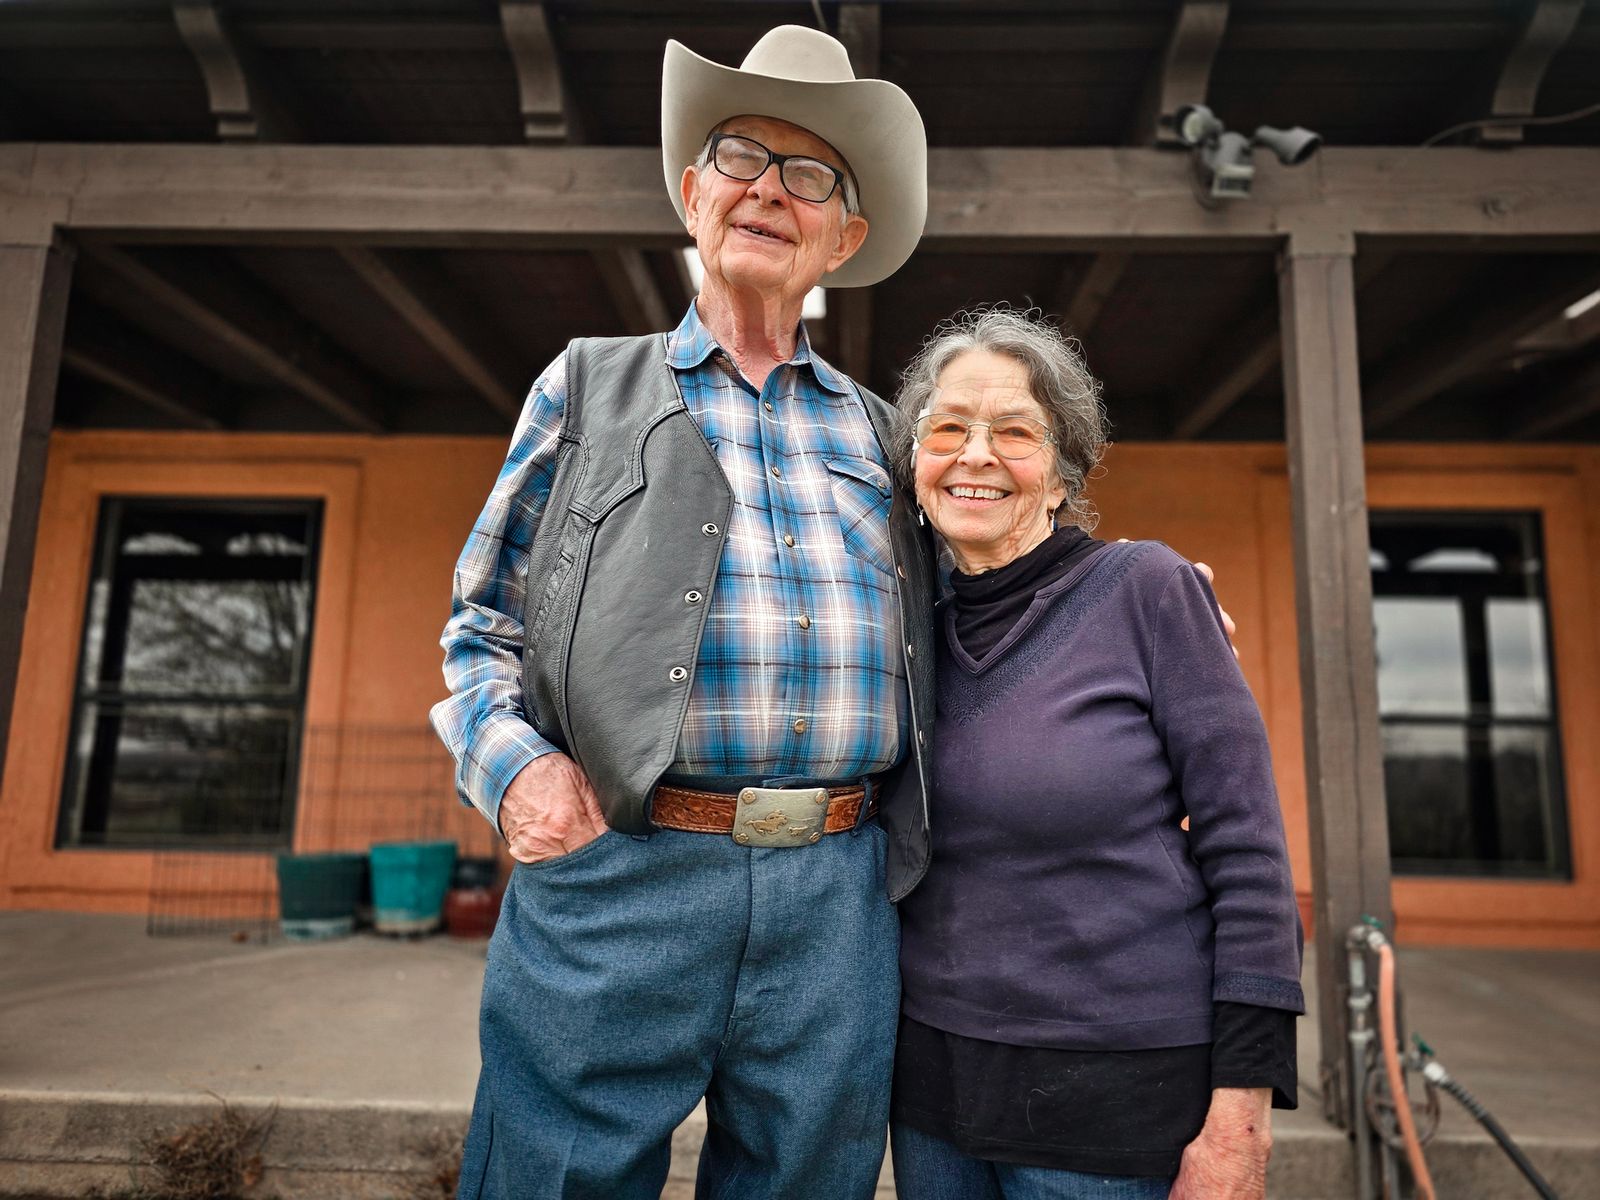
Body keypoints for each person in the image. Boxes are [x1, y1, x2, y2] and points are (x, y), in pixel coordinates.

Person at [430, 24, 940, 1199]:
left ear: (845, 238)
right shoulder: (584, 382)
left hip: (839, 894)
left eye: (809, 175)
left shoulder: (884, 429)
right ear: (691, 190)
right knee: (551, 1178)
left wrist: (1132, 619)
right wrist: (516, 773)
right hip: (625, 870)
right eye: (740, 156)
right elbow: (481, 624)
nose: (769, 188)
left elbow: (980, 606)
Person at [885, 308, 1304, 1200]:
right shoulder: (901, 625)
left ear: (1064, 470)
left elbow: (1250, 854)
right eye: (948, 428)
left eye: (1016, 433)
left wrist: (1242, 1111)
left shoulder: (1149, 592)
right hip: (933, 1094)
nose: (976, 455)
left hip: (1116, 1092)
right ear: (914, 461)